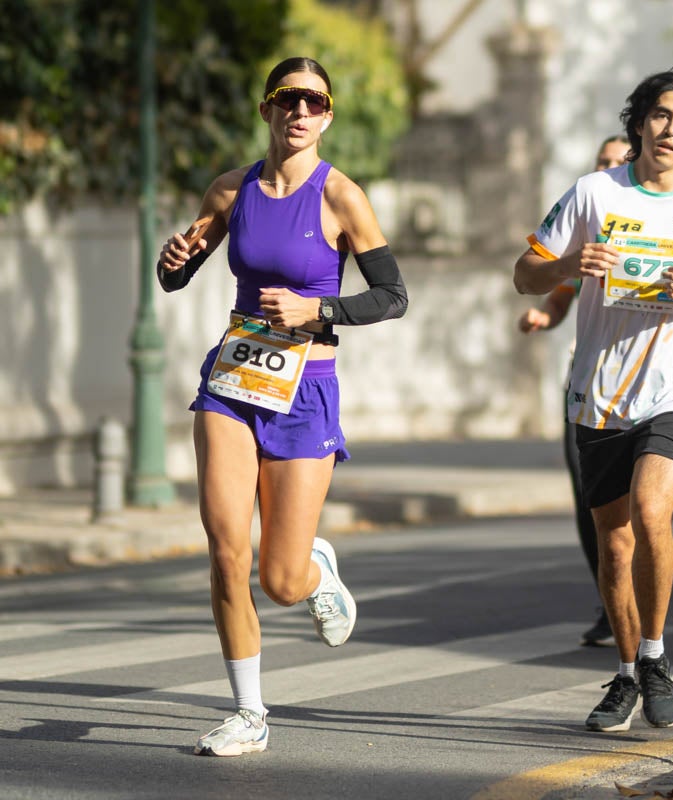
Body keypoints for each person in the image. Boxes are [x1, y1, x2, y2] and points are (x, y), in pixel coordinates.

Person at [157, 57, 408, 756]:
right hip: (233, 382)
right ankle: (249, 714)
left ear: (327, 117)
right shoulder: (232, 190)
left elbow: (392, 296)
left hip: (307, 391)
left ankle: (314, 569)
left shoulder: (343, 198)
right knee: (226, 549)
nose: (299, 112)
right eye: (286, 99)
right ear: (267, 110)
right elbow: (175, 277)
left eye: (313, 102)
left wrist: (317, 307)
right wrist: (174, 257)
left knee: (281, 580)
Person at [513, 68, 673, 732]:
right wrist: (571, 266)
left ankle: (654, 656)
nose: (670, 129)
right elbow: (524, 272)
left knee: (655, 510)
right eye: (660, 115)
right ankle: (627, 673)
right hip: (601, 391)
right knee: (615, 544)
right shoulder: (594, 193)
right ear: (639, 122)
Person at [517, 135, 631, 648]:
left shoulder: (661, 221)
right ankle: (611, 605)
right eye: (601, 160)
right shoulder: (586, 227)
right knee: (593, 497)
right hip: (591, 380)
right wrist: (546, 314)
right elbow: (556, 290)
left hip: (658, 387)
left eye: (617, 161)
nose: (608, 168)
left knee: (651, 499)